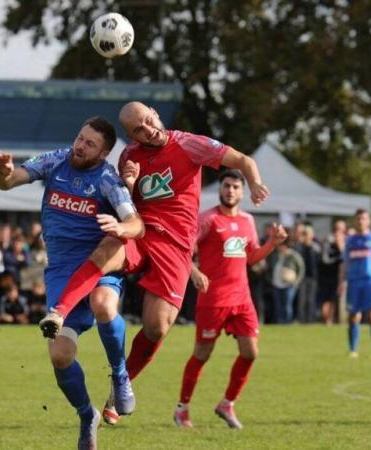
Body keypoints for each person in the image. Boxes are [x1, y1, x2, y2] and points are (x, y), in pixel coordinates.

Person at [39, 101, 268, 425]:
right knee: (106, 250)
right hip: (141, 233)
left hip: (174, 248)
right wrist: (129, 183)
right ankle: (59, 311)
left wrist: (255, 182)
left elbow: (242, 160)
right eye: (138, 129)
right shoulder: (129, 156)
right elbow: (122, 203)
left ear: (156, 115)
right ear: (131, 136)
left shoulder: (190, 144)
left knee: (156, 327)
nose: (147, 129)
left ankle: (120, 385)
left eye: (148, 120)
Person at [0, 116, 144, 450]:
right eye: (80, 137)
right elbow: (10, 181)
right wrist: (3, 173)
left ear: (103, 153)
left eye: (90, 143)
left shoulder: (107, 178)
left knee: (103, 304)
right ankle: (86, 414)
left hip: (98, 264)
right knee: (60, 356)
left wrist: (122, 229)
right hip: (61, 272)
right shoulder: (56, 159)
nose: (80, 145)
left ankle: (120, 375)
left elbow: (136, 223)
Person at [172, 169, 286, 429]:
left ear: (242, 192)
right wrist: (195, 271)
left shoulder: (247, 220)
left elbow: (252, 257)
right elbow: (182, 250)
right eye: (227, 186)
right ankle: (182, 409)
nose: (230, 191)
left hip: (242, 299)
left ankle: (227, 404)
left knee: (251, 352)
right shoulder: (207, 219)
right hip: (213, 300)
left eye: (235, 187)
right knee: (202, 354)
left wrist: (272, 243)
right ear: (220, 189)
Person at [338, 209, 371, 359]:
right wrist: (341, 281)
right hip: (353, 282)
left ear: (368, 221)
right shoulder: (350, 240)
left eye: (363, 218)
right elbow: (345, 263)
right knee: (353, 315)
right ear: (355, 221)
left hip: (370, 281)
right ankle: (353, 350)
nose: (360, 221)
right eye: (358, 218)